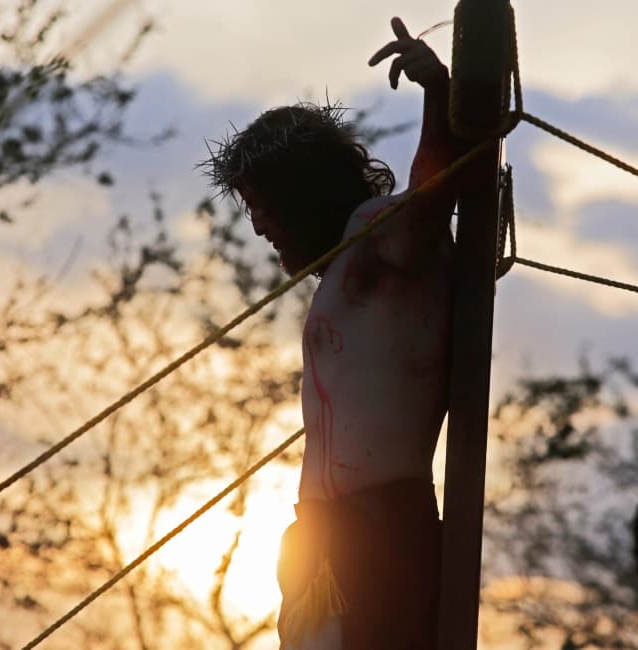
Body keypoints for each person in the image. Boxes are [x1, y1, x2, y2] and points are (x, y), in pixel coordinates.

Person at [204, 17, 461, 649]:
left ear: (303, 193)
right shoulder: (349, 264)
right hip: (325, 537)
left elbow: (431, 199)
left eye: (264, 205)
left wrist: (439, 95)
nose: (259, 226)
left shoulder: (379, 233)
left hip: (377, 533)